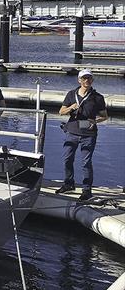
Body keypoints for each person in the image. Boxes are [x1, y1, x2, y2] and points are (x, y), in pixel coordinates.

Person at [55, 69, 108, 201]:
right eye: (84, 78)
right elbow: (61, 111)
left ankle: (87, 190)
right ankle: (68, 183)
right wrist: (71, 108)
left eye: (89, 78)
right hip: (72, 130)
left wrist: (95, 121)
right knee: (67, 159)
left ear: (92, 80)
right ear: (79, 80)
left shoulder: (97, 97)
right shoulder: (71, 94)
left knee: (86, 162)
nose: (87, 81)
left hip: (88, 133)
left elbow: (105, 116)